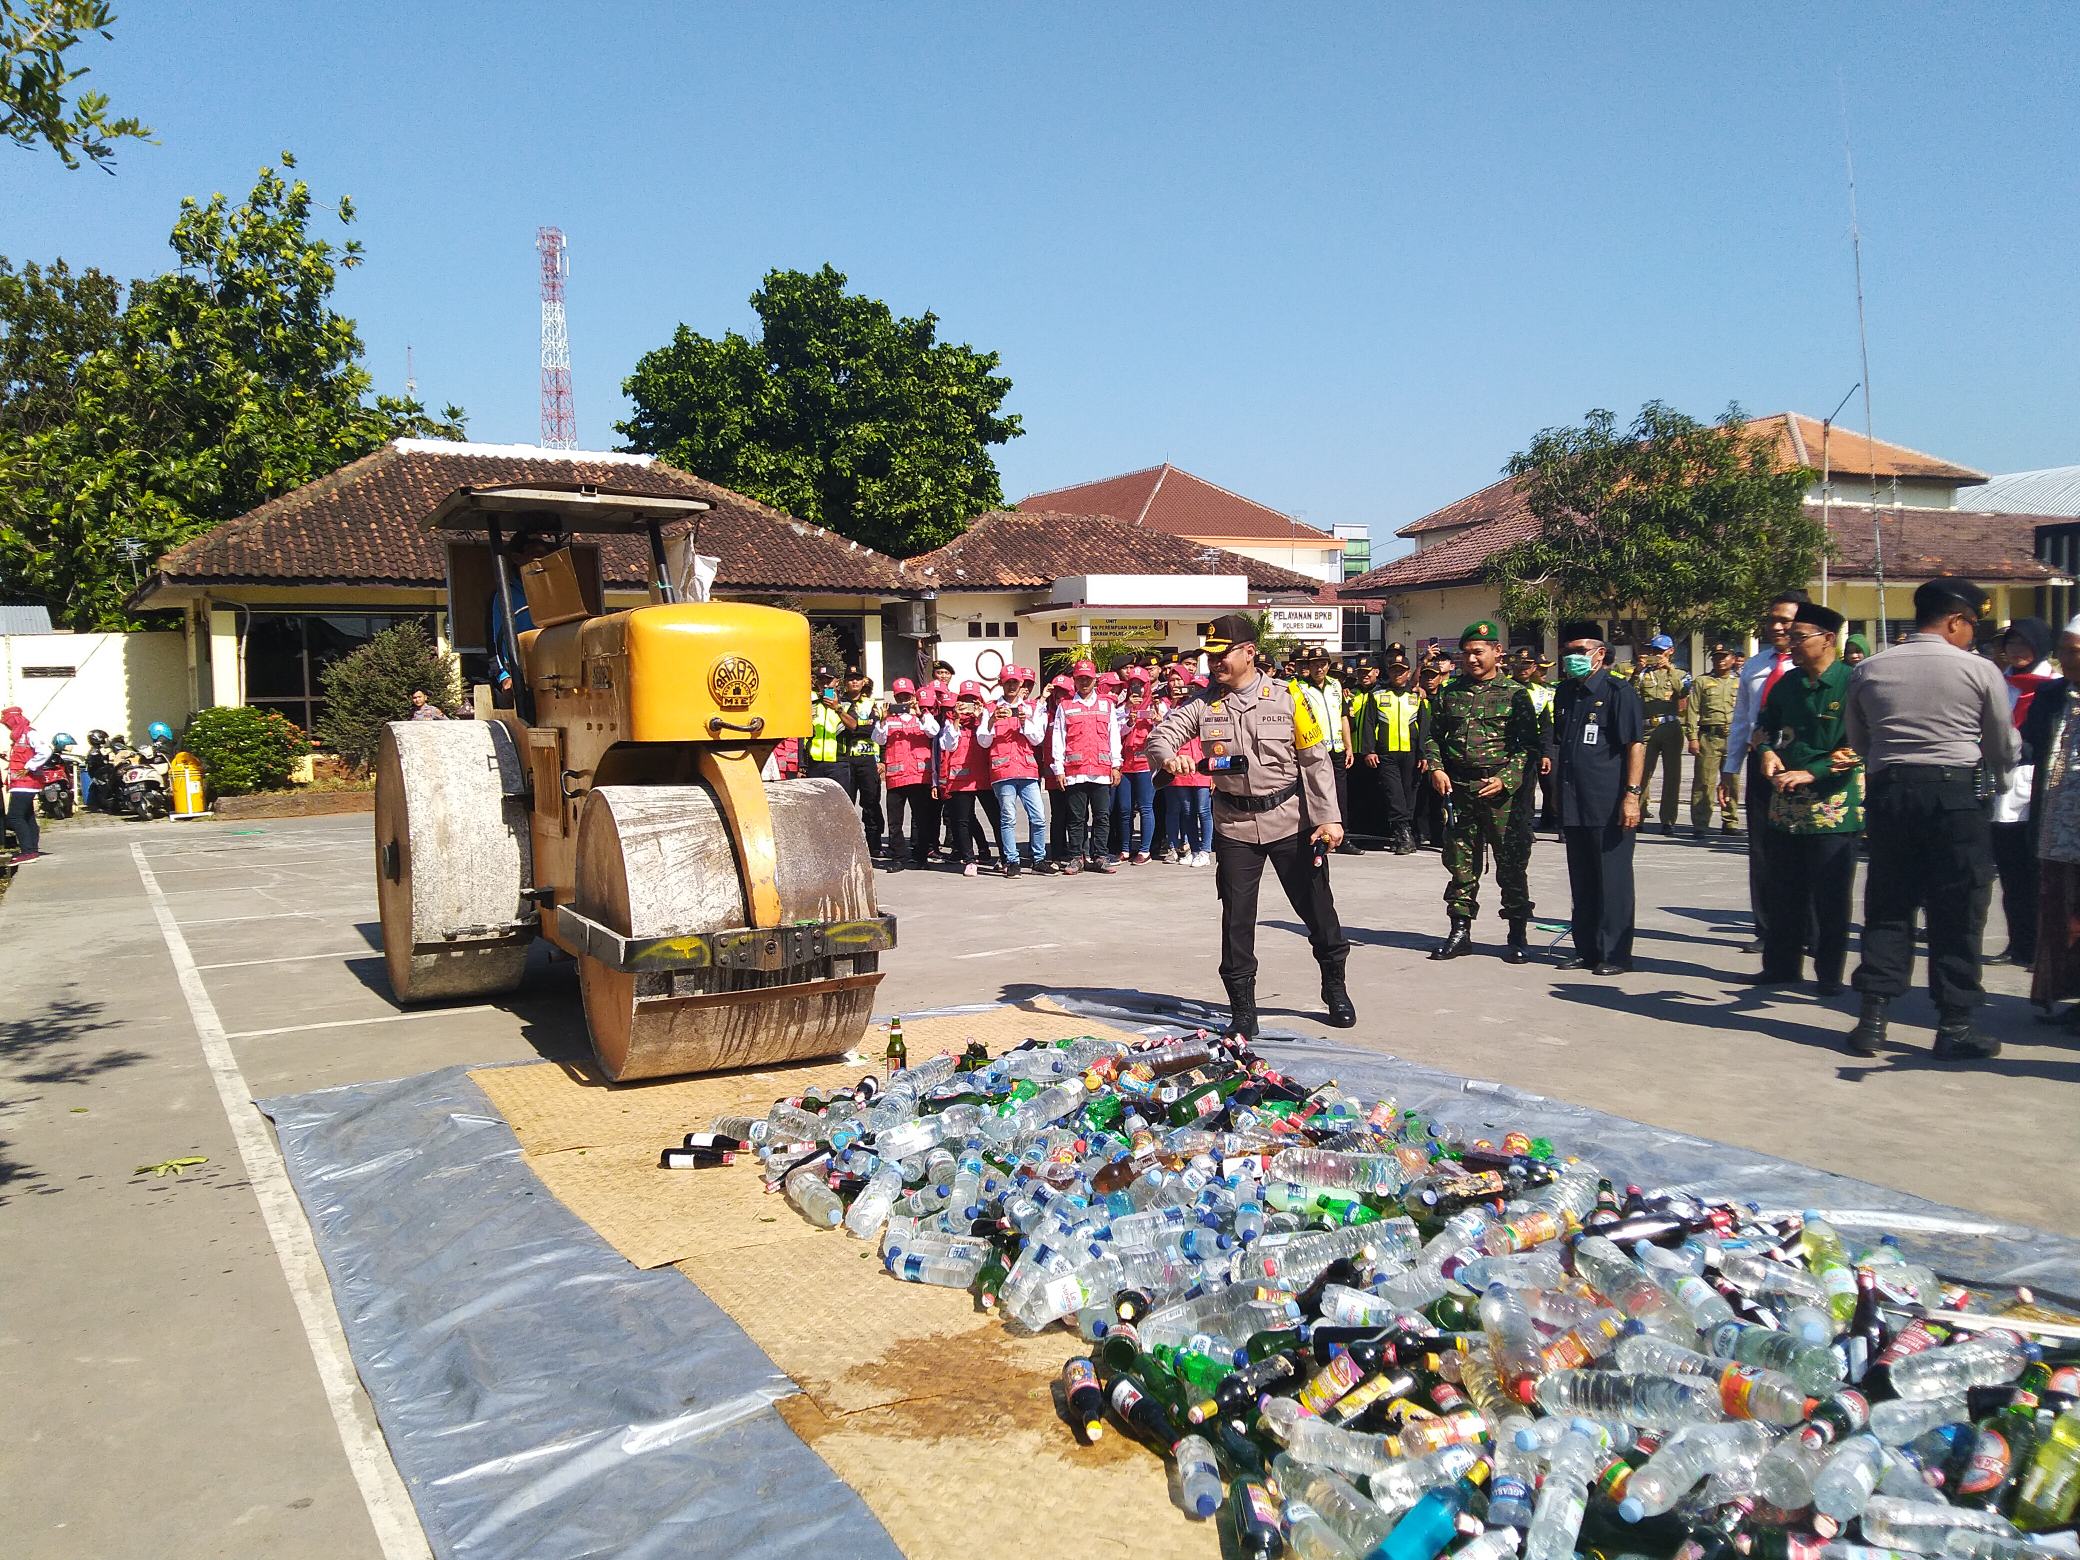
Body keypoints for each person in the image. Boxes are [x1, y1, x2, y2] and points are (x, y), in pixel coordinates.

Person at [1146, 613, 1351, 1039]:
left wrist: (1329, 818)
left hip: (1291, 822)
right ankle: (1242, 1006)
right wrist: (1168, 758)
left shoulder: (1290, 697)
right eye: (1210, 656)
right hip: (1235, 826)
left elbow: (1315, 761)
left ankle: (1335, 985)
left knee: (1317, 911)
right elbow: (1161, 736)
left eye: (1222, 655)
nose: (1214, 663)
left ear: (1249, 652)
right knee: (1237, 918)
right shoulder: (1203, 703)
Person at [1842, 577, 2017, 1060]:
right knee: (1958, 909)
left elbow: (1859, 740)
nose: (1972, 636)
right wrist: (1998, 781)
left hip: (1891, 794)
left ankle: (1872, 1020)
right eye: (1972, 626)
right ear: (1956, 621)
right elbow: (2002, 744)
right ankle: (1955, 1024)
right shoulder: (1979, 671)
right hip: (1956, 796)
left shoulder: (1870, 669)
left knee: (1889, 903)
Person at [1748, 602, 1863, 994]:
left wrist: (1813, 771)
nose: (1791, 643)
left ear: (1828, 639)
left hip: (1834, 806)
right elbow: (1764, 725)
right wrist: (1766, 752)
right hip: (1786, 804)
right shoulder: (1788, 684)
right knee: (1783, 890)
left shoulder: (1854, 682)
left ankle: (1829, 975)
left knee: (1830, 896)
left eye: (1799, 637)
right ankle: (1781, 967)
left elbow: (1863, 743)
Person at [1422, 621, 1541, 963]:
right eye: (1467, 653)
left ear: (1496, 653)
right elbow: (1432, 737)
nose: (1471, 659)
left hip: (1501, 794)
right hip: (1459, 788)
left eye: (1478, 652)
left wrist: (1506, 779)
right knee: (1460, 862)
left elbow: (1527, 747)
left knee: (1511, 864)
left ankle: (1517, 934)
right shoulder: (1449, 692)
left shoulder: (1516, 695)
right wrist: (1437, 767)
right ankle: (1460, 932)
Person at [1546, 622, 1646, 972]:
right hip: (1575, 799)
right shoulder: (1566, 693)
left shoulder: (1619, 692)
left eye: (1578, 651)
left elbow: (1635, 745)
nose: (1571, 658)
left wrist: (1632, 796)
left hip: (1609, 802)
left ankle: (1615, 953)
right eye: (1568, 652)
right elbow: (1562, 746)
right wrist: (1558, 793)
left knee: (1612, 880)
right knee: (1583, 879)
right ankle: (1586, 947)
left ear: (1599, 654)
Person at [1721, 592, 1807, 953]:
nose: (1776, 627)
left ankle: (1810, 931)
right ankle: (1768, 929)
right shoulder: (1755, 666)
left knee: (1805, 849)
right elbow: (1742, 720)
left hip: (1804, 766)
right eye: (1772, 619)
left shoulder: (1812, 667)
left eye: (1785, 620)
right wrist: (1730, 768)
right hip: (1762, 765)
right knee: (1763, 849)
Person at [2023, 619, 2080, 1028]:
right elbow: (2028, 743)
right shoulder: (2051, 693)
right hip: (2058, 824)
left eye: (2074, 650)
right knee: (2064, 916)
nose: (2065, 658)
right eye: (2062, 649)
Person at [1990, 618, 2054, 965]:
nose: (2017, 651)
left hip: (2038, 786)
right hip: (2002, 784)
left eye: (2024, 644)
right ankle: (2019, 943)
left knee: (2038, 875)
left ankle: (2042, 949)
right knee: (2011, 873)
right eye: (2011, 645)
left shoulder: (2055, 686)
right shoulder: (2000, 683)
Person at [1051, 659, 1121, 874]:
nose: (1084, 682)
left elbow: (1114, 736)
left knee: (1102, 816)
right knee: (1076, 818)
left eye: (1088, 679)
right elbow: (1058, 738)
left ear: (1094, 680)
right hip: (1075, 771)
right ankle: (1076, 857)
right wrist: (1059, 769)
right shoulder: (1065, 706)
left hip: (1101, 770)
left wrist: (1116, 765)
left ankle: (1100, 855)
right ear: (1074, 680)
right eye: (1080, 678)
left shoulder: (1106, 705)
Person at [1292, 650, 1360, 855]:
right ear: (1308, 666)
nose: (1319, 668)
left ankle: (1343, 836)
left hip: (1336, 748)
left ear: (1329, 665)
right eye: (1314, 664)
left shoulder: (1336, 686)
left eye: (1323, 664)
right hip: (1314, 750)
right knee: (1314, 793)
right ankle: (1315, 834)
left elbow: (1343, 716)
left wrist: (1349, 746)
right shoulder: (1298, 687)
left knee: (1340, 794)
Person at [985, 666, 1051, 878]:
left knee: (1039, 817)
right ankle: (1011, 861)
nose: (1012, 686)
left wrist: (1024, 721)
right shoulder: (990, 708)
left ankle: (1038, 859)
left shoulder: (1031, 707)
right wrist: (992, 721)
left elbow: (1037, 739)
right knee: (1008, 818)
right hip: (1003, 772)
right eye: (1008, 682)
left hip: (1027, 770)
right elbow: (983, 741)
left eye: (1015, 682)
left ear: (1021, 684)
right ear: (1001, 684)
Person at [1360, 659, 1426, 854]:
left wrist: (1423, 754)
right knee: (1394, 793)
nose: (1398, 674)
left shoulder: (1416, 697)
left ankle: (1404, 834)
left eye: (1402, 671)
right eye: (1394, 670)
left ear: (1408, 673)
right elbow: (1369, 724)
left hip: (1410, 752)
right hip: (1386, 753)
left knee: (1408, 794)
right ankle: (1403, 833)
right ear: (1388, 672)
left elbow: (1423, 728)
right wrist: (1369, 750)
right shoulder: (1378, 695)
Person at [875, 678, 939, 872]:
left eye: (907, 696)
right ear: (895, 697)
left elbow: (933, 732)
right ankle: (898, 857)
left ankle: (920, 856)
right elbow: (878, 738)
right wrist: (883, 719)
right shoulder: (889, 720)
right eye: (900, 696)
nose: (904, 700)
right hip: (896, 778)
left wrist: (920, 714)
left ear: (914, 697)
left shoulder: (923, 717)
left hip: (919, 776)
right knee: (895, 822)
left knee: (921, 819)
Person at [1632, 634, 1691, 836]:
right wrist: (1637, 671)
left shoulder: (1680, 673)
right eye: (1654, 651)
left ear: (1670, 651)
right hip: (1647, 728)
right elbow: (1631, 694)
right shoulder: (1642, 673)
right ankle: (1638, 814)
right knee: (1641, 773)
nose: (1656, 655)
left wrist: (1670, 669)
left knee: (1672, 776)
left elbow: (1683, 692)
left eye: (1660, 651)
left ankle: (1668, 819)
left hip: (1670, 727)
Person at [1685, 644, 1742, 837]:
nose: (1720, 660)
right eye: (1716, 657)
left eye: (1724, 656)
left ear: (1733, 659)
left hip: (1733, 737)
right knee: (1704, 781)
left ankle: (1730, 821)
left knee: (1732, 781)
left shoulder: (1740, 682)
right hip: (1709, 736)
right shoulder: (1702, 681)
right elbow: (1692, 711)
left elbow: (1746, 710)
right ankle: (1701, 824)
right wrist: (1692, 737)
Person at [935, 682, 991, 876]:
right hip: (960, 777)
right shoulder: (951, 722)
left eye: (972, 700)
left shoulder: (986, 717)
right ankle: (969, 859)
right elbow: (948, 746)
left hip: (985, 777)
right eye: (964, 700)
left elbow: (987, 740)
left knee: (997, 817)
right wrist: (957, 720)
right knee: (962, 820)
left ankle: (1004, 856)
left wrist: (981, 717)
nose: (968, 704)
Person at [1112, 674, 1158, 863]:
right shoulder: (1123, 707)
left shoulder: (1155, 705)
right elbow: (1115, 731)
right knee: (1124, 809)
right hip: (1126, 763)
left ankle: (1145, 850)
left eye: (1141, 684)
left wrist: (1157, 719)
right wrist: (1129, 717)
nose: (1137, 688)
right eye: (1134, 685)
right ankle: (1124, 848)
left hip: (1146, 764)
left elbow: (1163, 732)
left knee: (1146, 807)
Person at [1513, 648, 1559, 831]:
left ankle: (1526, 826)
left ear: (1534, 667)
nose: (1523, 668)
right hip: (1509, 747)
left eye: (1528, 665)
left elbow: (1546, 726)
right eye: (1519, 664)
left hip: (1532, 748)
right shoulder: (1504, 687)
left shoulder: (1541, 692)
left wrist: (1546, 753)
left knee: (1529, 790)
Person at [4, 706, 52, 862]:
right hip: (19, 782)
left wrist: (29, 767)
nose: (6, 726)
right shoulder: (18, 737)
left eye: (7, 723)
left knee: (15, 817)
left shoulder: (30, 733)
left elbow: (45, 751)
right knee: (28, 816)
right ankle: (32, 849)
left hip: (26, 782)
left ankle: (27, 851)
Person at [1411, 661, 1449, 848]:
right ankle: (1419, 832)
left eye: (1433, 676)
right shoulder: (1416, 696)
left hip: (1443, 753)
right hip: (1420, 751)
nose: (1429, 679)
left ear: (1440, 677)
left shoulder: (1448, 696)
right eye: (1425, 676)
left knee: (1439, 797)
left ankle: (1438, 834)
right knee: (1420, 796)